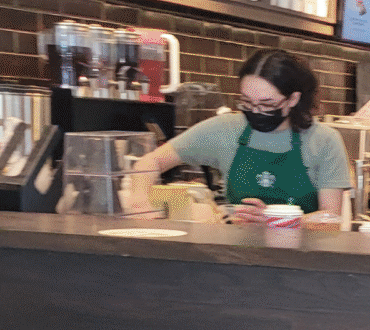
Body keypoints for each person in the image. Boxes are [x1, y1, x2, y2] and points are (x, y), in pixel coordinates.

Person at [129, 49, 352, 219]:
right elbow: (151, 162)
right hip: (237, 258)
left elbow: (330, 218)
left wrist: (275, 220)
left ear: (293, 99)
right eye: (247, 102)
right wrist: (139, 202)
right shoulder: (226, 129)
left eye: (267, 104)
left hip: (302, 264)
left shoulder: (323, 141)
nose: (255, 112)